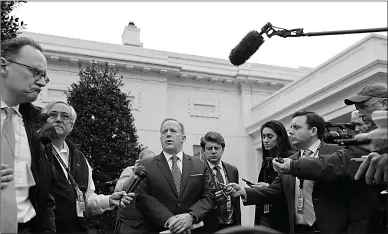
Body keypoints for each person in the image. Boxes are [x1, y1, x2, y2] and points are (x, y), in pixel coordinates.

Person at [271, 85, 388, 233]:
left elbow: (341, 162)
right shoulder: (372, 136)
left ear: (384, 104)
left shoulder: (375, 138)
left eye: (364, 107)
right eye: (358, 109)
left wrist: (294, 166)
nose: (361, 114)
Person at [226, 111, 346, 234]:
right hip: (298, 229)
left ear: (313, 131)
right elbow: (275, 190)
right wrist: (244, 191)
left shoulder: (337, 152)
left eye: (297, 127)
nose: (290, 132)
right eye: (291, 127)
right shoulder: (289, 161)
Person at [42, 101, 134, 233]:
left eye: (65, 116)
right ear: (44, 121)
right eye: (53, 115)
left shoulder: (80, 158)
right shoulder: (34, 150)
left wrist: (109, 200)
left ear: (71, 125)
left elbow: (87, 198)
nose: (58, 119)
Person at [1, 37, 56, 233]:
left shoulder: (38, 127)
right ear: (3, 66)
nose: (41, 83)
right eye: (35, 72)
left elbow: (44, 194)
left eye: (44, 76)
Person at [134, 118, 216, 233]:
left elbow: (209, 195)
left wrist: (191, 216)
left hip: (193, 230)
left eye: (173, 131)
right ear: (160, 138)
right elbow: (141, 197)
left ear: (183, 138)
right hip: (160, 229)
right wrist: (170, 220)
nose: (168, 134)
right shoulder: (146, 165)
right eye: (164, 132)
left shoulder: (199, 165)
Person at [254, 120, 294, 233]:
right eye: (263, 136)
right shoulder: (266, 161)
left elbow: (291, 190)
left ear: (280, 138)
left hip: (281, 215)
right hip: (264, 214)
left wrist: (268, 187)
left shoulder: (291, 158)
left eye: (269, 136)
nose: (265, 140)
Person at [200, 131, 241, 232]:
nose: (213, 151)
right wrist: (213, 201)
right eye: (209, 148)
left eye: (217, 148)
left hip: (233, 225)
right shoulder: (198, 171)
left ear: (222, 150)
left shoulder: (233, 170)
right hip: (210, 227)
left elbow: (236, 202)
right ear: (203, 151)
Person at [114, 148, 155, 234]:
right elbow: (119, 189)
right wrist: (135, 173)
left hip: (148, 223)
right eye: (146, 162)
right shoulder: (130, 170)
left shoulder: (154, 173)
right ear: (139, 161)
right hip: (128, 223)